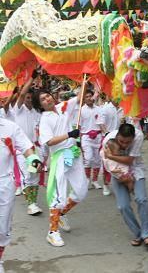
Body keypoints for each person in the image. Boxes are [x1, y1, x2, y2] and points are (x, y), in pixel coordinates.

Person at [34, 88, 88, 247]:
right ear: (40, 105)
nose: (47, 100)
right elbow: (49, 141)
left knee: (81, 191)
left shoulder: (63, 107)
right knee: (58, 195)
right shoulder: (45, 119)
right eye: (43, 99)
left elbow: (79, 98)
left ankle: (62, 213)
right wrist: (69, 135)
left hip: (74, 154)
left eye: (48, 96)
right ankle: (52, 232)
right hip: (60, 156)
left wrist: (85, 82)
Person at [101, 123, 148, 249]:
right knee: (123, 206)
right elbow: (107, 162)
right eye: (121, 141)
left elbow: (130, 160)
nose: (124, 145)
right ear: (117, 135)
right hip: (117, 173)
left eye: (128, 142)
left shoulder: (139, 136)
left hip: (135, 169)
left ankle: (147, 234)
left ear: (133, 138)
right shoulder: (108, 140)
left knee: (141, 199)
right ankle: (138, 233)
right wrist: (121, 176)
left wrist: (111, 155)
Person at [0, 117, 41, 272]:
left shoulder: (10, 127)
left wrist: (33, 159)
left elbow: (25, 147)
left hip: (4, 182)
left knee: (2, 229)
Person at [11, 70, 43, 215]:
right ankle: (31, 204)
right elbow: (22, 94)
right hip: (22, 151)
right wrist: (32, 78)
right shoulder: (17, 110)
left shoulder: (37, 112)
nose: (28, 100)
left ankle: (33, 202)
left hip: (35, 150)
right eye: (27, 97)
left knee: (34, 176)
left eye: (31, 98)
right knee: (27, 176)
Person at [97, 98, 123, 196]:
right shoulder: (105, 108)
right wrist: (107, 133)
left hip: (120, 140)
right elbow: (100, 123)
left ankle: (119, 184)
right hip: (108, 140)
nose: (117, 98)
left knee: (120, 163)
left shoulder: (123, 108)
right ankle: (105, 184)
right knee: (107, 163)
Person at [79, 89, 103, 189]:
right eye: (86, 97)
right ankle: (87, 180)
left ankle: (95, 180)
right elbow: (79, 126)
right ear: (84, 99)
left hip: (97, 136)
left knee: (97, 160)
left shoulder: (98, 109)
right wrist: (78, 140)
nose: (89, 98)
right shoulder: (81, 110)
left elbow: (101, 123)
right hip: (86, 137)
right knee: (88, 159)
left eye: (90, 96)